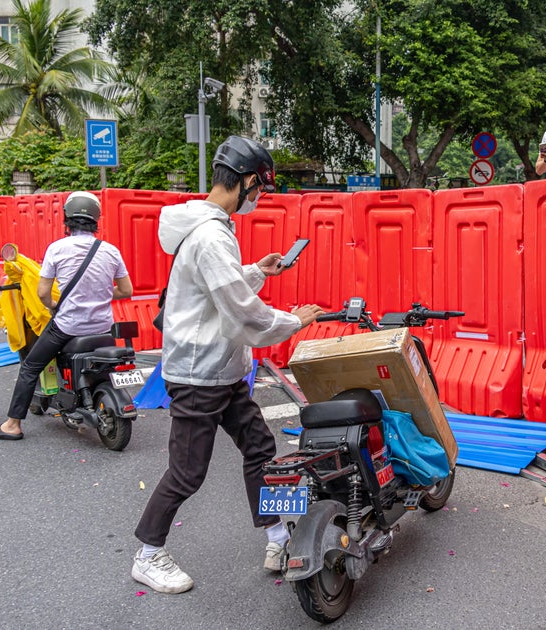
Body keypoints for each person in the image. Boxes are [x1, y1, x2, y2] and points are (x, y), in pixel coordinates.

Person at [131, 136, 323, 594]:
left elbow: (219, 290)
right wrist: (293, 321)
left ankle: (278, 536)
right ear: (248, 180)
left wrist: (259, 269)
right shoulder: (212, 235)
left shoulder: (209, 228)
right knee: (187, 471)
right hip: (200, 376)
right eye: (259, 190)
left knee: (259, 449)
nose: (257, 199)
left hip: (224, 370)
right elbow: (241, 311)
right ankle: (148, 553)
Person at [0, 191, 134, 440]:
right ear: (96, 220)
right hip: (103, 327)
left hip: (69, 326)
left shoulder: (57, 248)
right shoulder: (110, 251)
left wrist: (54, 305)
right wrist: (102, 294)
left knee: (30, 366)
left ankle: (12, 425)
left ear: (67, 220)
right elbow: (126, 290)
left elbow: (42, 293)